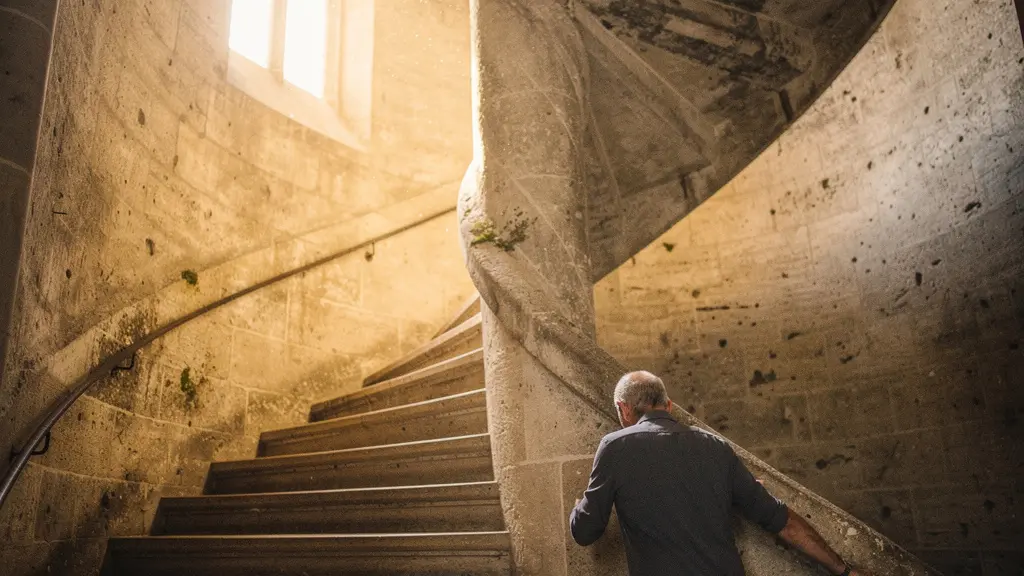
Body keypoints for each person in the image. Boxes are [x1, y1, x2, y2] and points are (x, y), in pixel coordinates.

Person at [570, 371, 869, 576]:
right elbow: (782, 521)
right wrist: (844, 570)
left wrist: (579, 508)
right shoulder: (715, 446)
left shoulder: (615, 447)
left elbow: (586, 531)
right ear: (669, 405)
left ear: (623, 410)